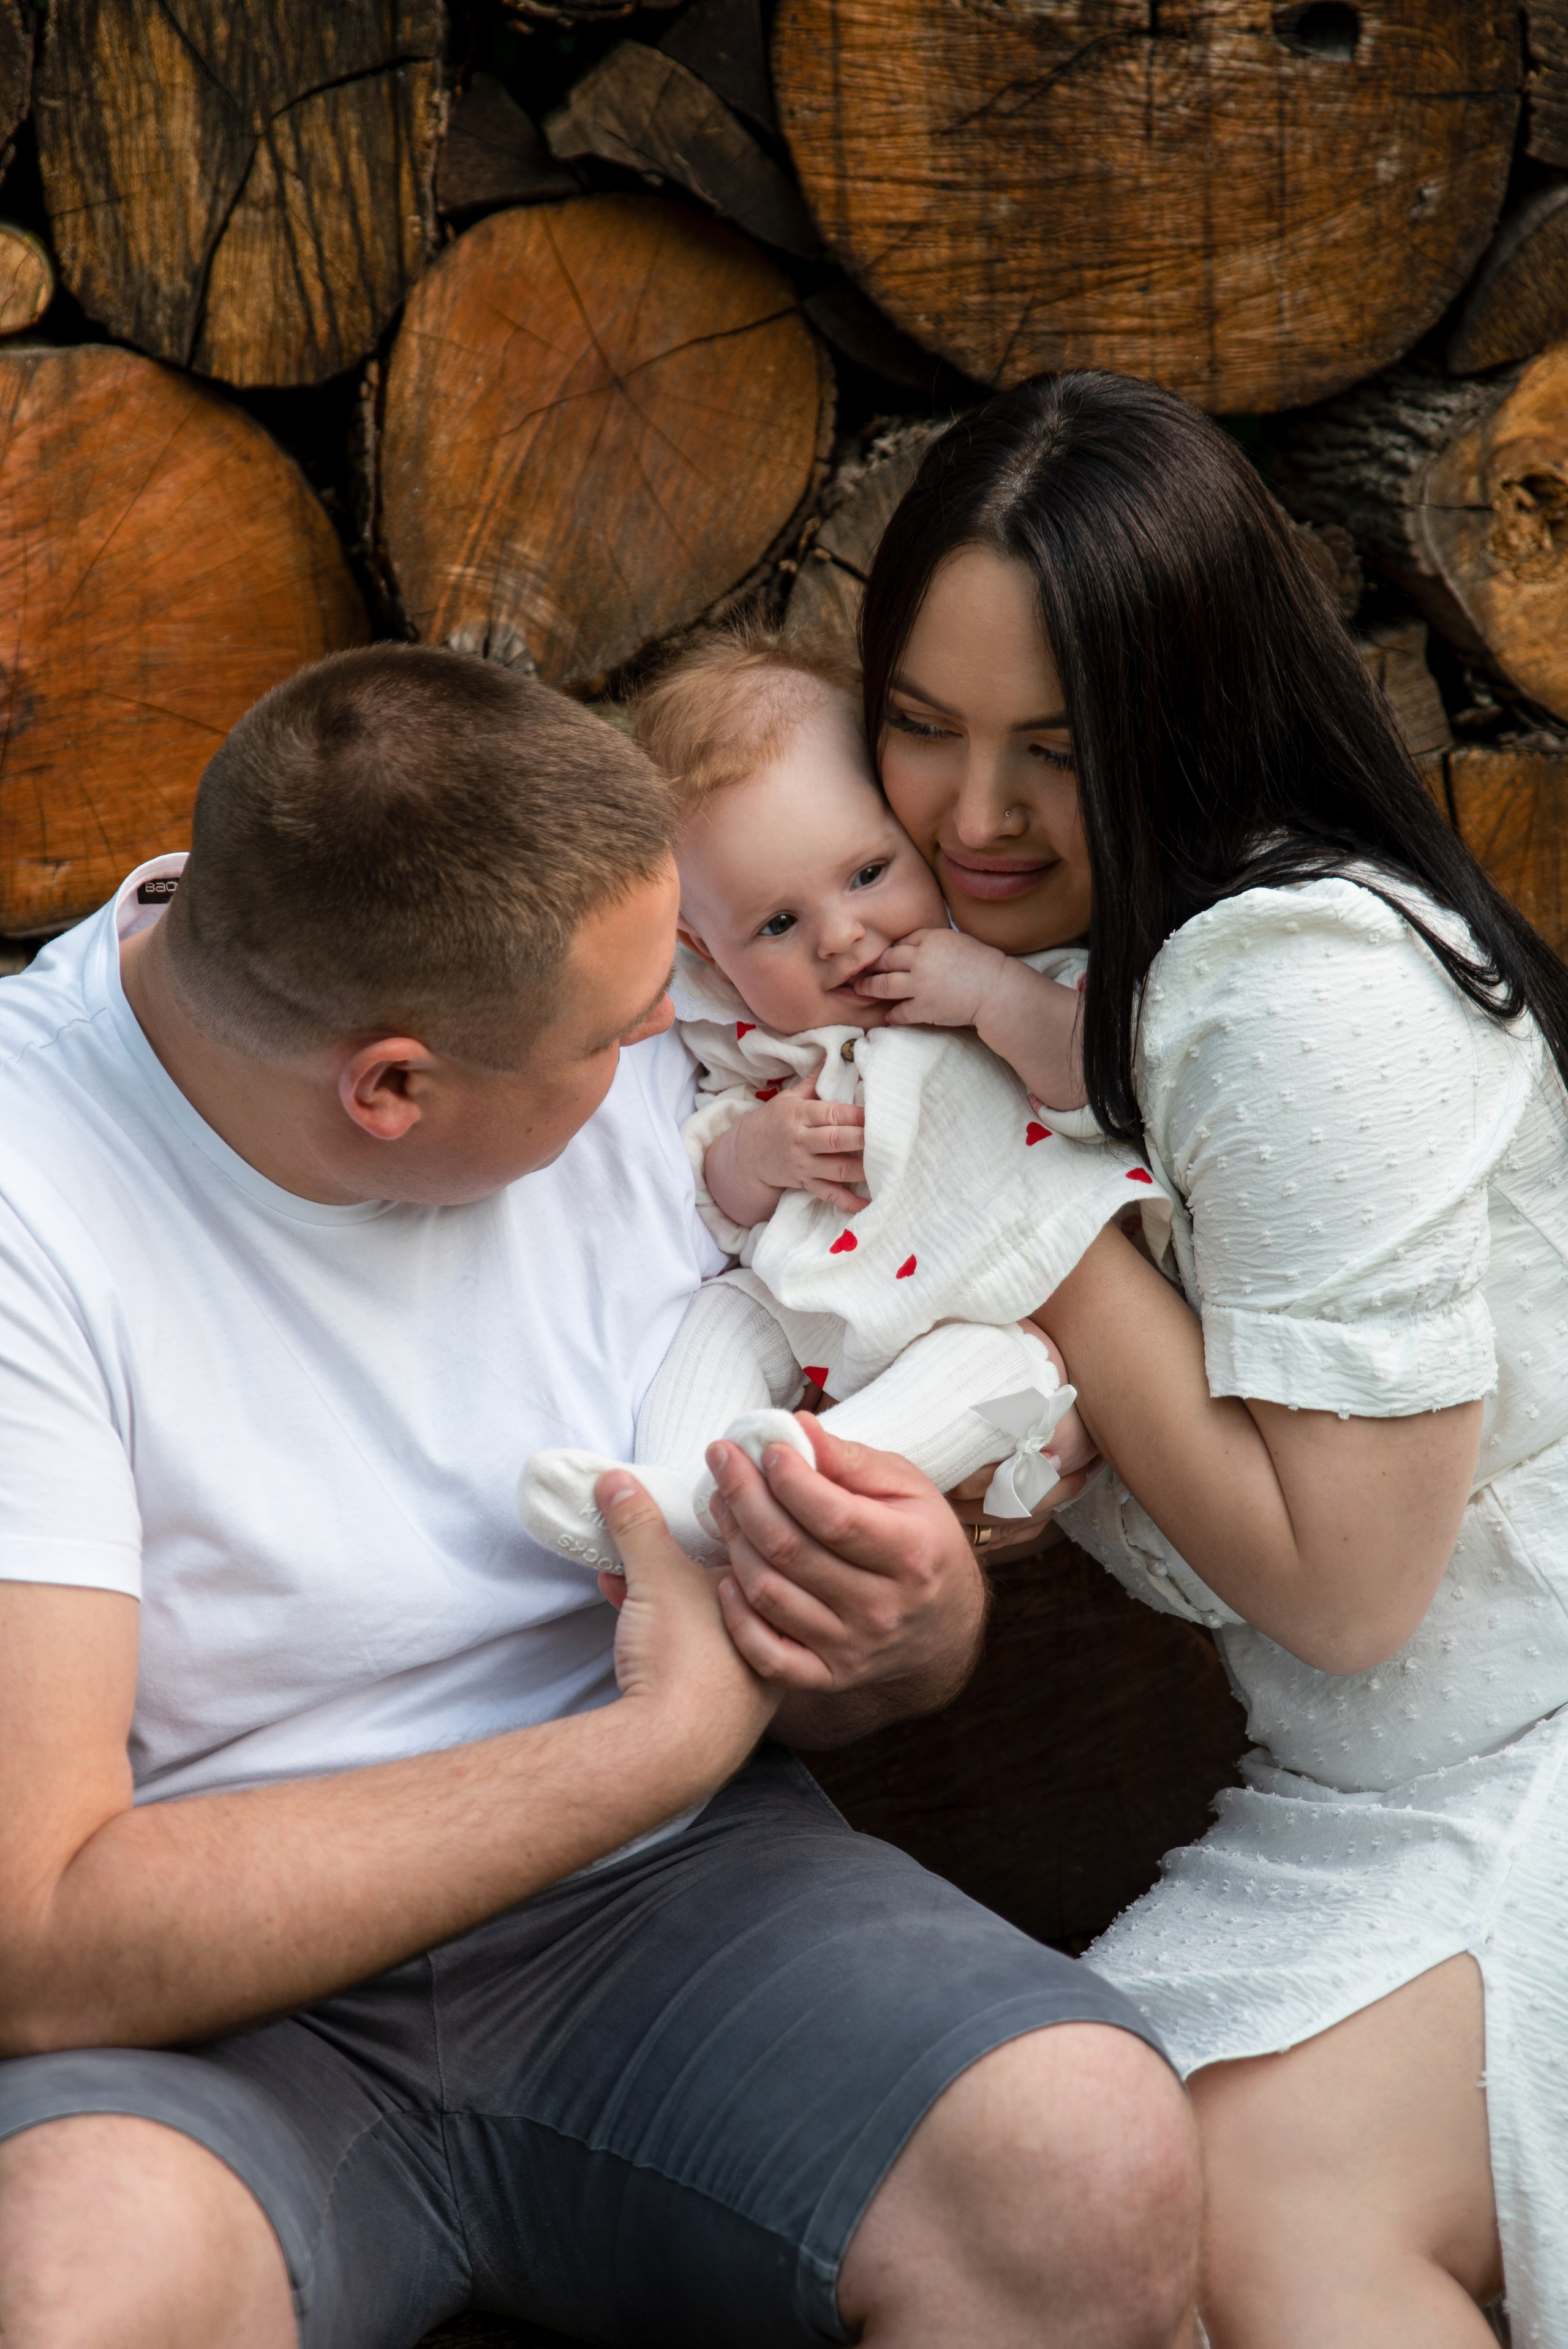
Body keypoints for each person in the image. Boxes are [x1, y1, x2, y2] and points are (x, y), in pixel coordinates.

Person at [0, 645, 1198, 2349]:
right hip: (200, 2007)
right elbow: (39, 1939)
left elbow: (865, 1585)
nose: (678, 1036)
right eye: (629, 1028)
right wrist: (653, 1744)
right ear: (394, 1088)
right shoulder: (33, 1196)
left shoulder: (632, 968)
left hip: (664, 1903)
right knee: (73, 2284)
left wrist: (906, 1618)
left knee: (1081, 2155)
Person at [858, 369, 1568, 2347]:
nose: (970, 815)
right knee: (1068, 2195)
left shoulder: (1292, 984)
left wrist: (1044, 1242)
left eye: (1052, 752)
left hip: (1527, 1741)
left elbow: (1351, 1584)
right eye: (919, 726)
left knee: (1261, 2206)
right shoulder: (1053, 970)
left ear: (1181, 720)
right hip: (1363, 1785)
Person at [520, 625, 1166, 1577]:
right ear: (707, 954)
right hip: (813, 1298)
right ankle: (666, 1502)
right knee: (722, 1321)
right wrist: (754, 1159)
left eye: (869, 873)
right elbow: (714, 1199)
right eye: (779, 923)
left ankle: (793, 1488)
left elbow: (1100, 1085)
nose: (844, 936)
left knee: (991, 1377)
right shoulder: (745, 1041)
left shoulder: (1003, 964)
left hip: (1007, 1316)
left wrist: (994, 996)